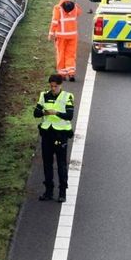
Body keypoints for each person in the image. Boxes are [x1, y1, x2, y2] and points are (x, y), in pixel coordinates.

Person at [33, 74, 75, 203]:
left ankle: (62, 192)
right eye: (51, 86)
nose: (53, 89)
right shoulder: (44, 96)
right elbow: (36, 113)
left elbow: (69, 115)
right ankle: (48, 191)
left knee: (61, 164)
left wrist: (56, 113)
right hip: (47, 134)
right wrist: (44, 112)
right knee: (47, 164)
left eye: (55, 86)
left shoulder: (67, 97)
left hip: (61, 135)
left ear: (60, 85)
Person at [48, 0, 78, 81]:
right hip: (73, 35)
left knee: (61, 54)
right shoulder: (75, 6)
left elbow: (54, 22)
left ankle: (62, 74)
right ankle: (71, 73)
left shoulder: (58, 8)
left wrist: (51, 34)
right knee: (71, 54)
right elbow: (79, 12)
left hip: (61, 36)